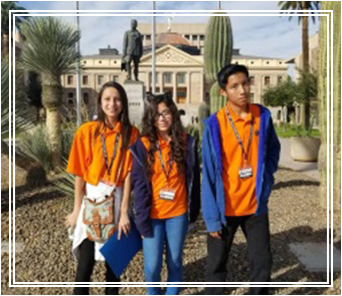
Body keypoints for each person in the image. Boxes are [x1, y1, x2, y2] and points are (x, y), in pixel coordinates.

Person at [201, 64, 280, 295]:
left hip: (255, 206)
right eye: (234, 86)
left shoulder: (262, 115)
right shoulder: (214, 125)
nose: (242, 90)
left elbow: (273, 151)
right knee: (216, 266)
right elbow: (208, 174)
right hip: (225, 208)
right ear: (223, 92)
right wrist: (211, 218)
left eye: (245, 83)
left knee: (262, 263)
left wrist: (265, 183)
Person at [65, 81, 139, 295]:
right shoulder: (87, 131)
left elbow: (127, 175)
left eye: (116, 99)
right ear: (100, 102)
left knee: (114, 269)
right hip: (92, 203)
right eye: (107, 99)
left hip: (115, 203)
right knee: (84, 266)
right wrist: (76, 209)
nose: (112, 104)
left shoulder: (131, 134)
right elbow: (79, 173)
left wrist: (125, 212)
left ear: (123, 103)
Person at [130, 93, 201, 295]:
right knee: (152, 266)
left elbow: (194, 179)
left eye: (166, 113)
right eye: (156, 114)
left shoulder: (187, 142)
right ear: (150, 118)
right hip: (152, 215)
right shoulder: (142, 145)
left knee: (175, 261)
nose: (161, 118)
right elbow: (139, 185)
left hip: (177, 213)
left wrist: (194, 210)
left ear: (173, 115)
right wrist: (141, 219)